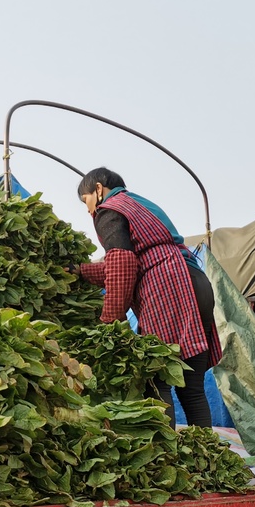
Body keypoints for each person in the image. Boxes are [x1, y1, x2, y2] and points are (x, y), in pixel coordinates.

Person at [73, 167, 220, 428]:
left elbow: (122, 262)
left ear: (98, 189)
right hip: (195, 281)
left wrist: (111, 320)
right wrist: (81, 272)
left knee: (156, 379)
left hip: (169, 288)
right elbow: (131, 259)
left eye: (86, 201)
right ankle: (205, 459)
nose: (88, 210)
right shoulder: (139, 204)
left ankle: (165, 460)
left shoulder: (110, 209)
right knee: (192, 387)